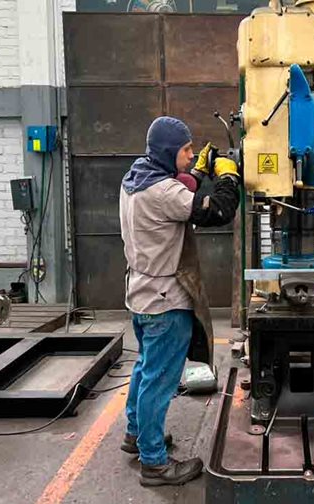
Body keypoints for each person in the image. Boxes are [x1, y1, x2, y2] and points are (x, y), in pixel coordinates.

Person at [118, 116, 240, 486]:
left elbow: (181, 190)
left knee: (145, 368)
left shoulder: (136, 177)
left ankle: (135, 435)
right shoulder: (165, 193)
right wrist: (228, 175)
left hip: (140, 293)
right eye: (186, 150)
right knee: (161, 380)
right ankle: (154, 463)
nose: (190, 155)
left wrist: (196, 172)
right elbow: (216, 210)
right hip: (165, 300)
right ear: (169, 153)